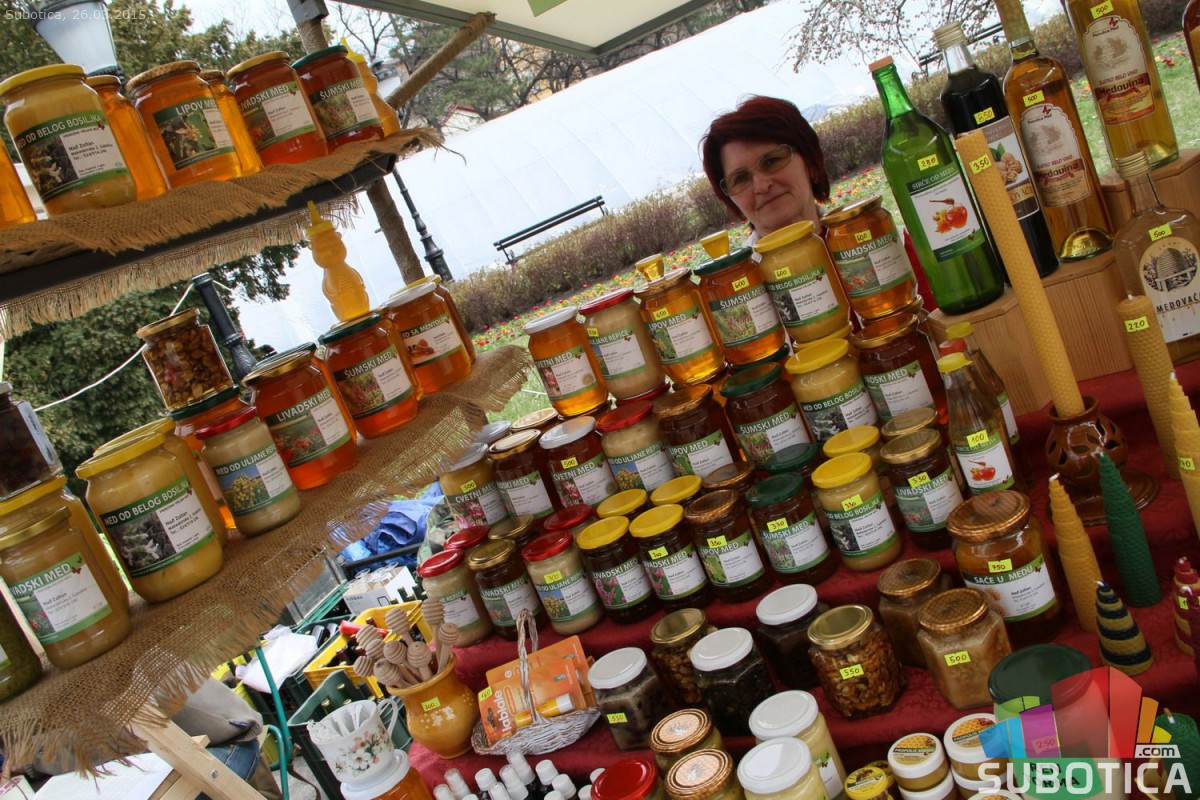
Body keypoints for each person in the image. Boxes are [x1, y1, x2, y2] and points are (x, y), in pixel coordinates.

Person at [699, 95, 937, 308]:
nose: (761, 186)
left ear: (810, 163)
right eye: (740, 179)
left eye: (772, 161)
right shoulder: (731, 298)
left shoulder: (884, 243)